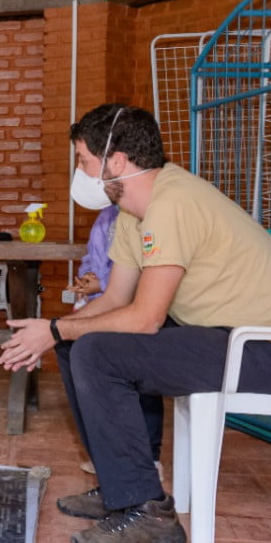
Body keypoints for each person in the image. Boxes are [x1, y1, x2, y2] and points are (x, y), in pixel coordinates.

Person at [0, 103, 271, 543]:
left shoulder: (172, 203)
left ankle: (147, 512)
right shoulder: (133, 213)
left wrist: (54, 331)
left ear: (116, 161)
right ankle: (122, 484)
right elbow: (113, 301)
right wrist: (53, 329)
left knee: (95, 352)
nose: (81, 172)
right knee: (81, 342)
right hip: (227, 336)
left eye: (83, 161)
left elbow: (145, 319)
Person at [68, 204, 166, 478]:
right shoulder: (105, 217)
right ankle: (105, 453)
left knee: (141, 386)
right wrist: (87, 279)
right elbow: (92, 257)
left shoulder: (145, 215)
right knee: (94, 379)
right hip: (101, 305)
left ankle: (149, 456)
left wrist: (103, 285)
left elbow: (141, 271)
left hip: (134, 309)